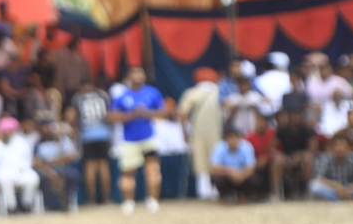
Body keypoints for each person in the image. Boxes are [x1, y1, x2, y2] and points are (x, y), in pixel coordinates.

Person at [108, 65, 168, 214]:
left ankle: (153, 201)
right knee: (128, 173)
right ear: (129, 77)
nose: (139, 76)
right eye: (135, 74)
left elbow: (164, 113)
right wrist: (132, 115)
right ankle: (128, 202)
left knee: (153, 170)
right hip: (130, 141)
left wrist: (147, 113)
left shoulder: (152, 92)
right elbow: (111, 117)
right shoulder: (123, 96)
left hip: (148, 139)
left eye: (141, 73)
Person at [178, 67, 224, 199]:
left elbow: (182, 114)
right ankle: (217, 191)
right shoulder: (220, 91)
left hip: (197, 133)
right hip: (217, 133)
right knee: (217, 161)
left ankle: (203, 192)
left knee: (200, 162)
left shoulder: (191, 93)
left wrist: (184, 132)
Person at [209, 129, 260, 203]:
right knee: (218, 179)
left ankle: (245, 195)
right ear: (226, 139)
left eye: (235, 137)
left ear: (239, 138)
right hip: (227, 176)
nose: (233, 140)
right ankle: (224, 196)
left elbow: (251, 167)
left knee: (254, 179)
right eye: (231, 137)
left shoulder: (246, 146)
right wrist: (231, 172)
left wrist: (241, 175)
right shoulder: (219, 147)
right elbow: (214, 167)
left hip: (243, 176)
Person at [309, 135, 353, 201]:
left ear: (348, 147)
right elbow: (319, 177)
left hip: (350, 189)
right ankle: (340, 199)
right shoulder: (326, 158)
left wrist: (349, 189)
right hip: (332, 189)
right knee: (313, 185)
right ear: (332, 147)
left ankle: (345, 198)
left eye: (343, 145)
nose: (340, 148)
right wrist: (337, 186)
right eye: (336, 145)